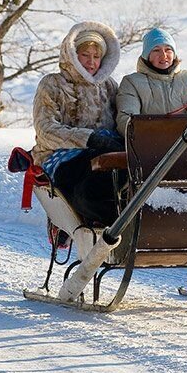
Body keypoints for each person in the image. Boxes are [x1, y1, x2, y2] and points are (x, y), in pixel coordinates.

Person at [32, 21, 124, 226]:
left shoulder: (109, 86)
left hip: (105, 154)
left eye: (96, 56)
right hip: (61, 155)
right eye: (85, 55)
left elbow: (122, 119)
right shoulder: (52, 83)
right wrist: (89, 139)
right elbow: (45, 129)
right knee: (91, 188)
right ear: (72, 54)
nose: (91, 62)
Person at [116, 28, 187, 135]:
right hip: (148, 146)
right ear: (146, 55)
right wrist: (157, 134)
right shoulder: (131, 83)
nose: (163, 56)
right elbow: (126, 121)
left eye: (168, 49)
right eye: (156, 50)